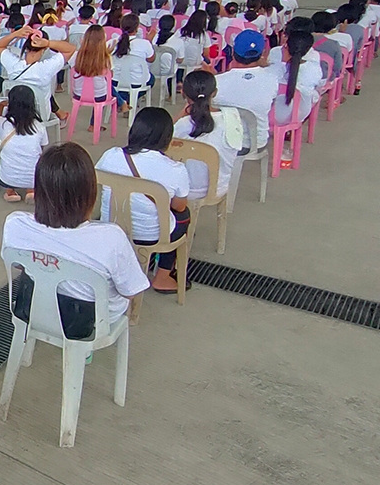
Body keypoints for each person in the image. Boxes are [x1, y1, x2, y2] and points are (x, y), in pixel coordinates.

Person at [1, 143, 149, 340]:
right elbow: (131, 291)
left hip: (32, 308)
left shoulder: (15, 223)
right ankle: (81, 349)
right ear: (90, 192)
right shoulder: (111, 238)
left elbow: (18, 264)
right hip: (89, 321)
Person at [95, 107, 192, 295]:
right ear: (167, 138)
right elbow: (179, 206)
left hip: (112, 225)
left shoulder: (112, 154)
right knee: (183, 215)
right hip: (150, 236)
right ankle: (162, 276)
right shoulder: (175, 169)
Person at [172, 70, 239, 199]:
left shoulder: (183, 124)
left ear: (183, 93)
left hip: (185, 191)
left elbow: (164, 141)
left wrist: (182, 113)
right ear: (215, 93)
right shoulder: (233, 116)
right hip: (219, 187)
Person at [0, 24, 74, 120]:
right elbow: (71, 49)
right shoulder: (46, 68)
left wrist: (16, 34)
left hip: (15, 113)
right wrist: (48, 43)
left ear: (26, 48)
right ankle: (59, 112)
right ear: (44, 49)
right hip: (40, 115)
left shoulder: (13, 65)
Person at [214, 30, 276, 149]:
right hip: (257, 142)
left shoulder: (218, 81)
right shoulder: (272, 79)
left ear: (233, 52)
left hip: (224, 143)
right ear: (262, 53)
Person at [0, 85, 47, 203]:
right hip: (35, 178)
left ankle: (10, 192)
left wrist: (0, 107)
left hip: (6, 177)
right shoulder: (39, 126)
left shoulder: (2, 123)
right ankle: (31, 190)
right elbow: (42, 148)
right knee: (34, 160)